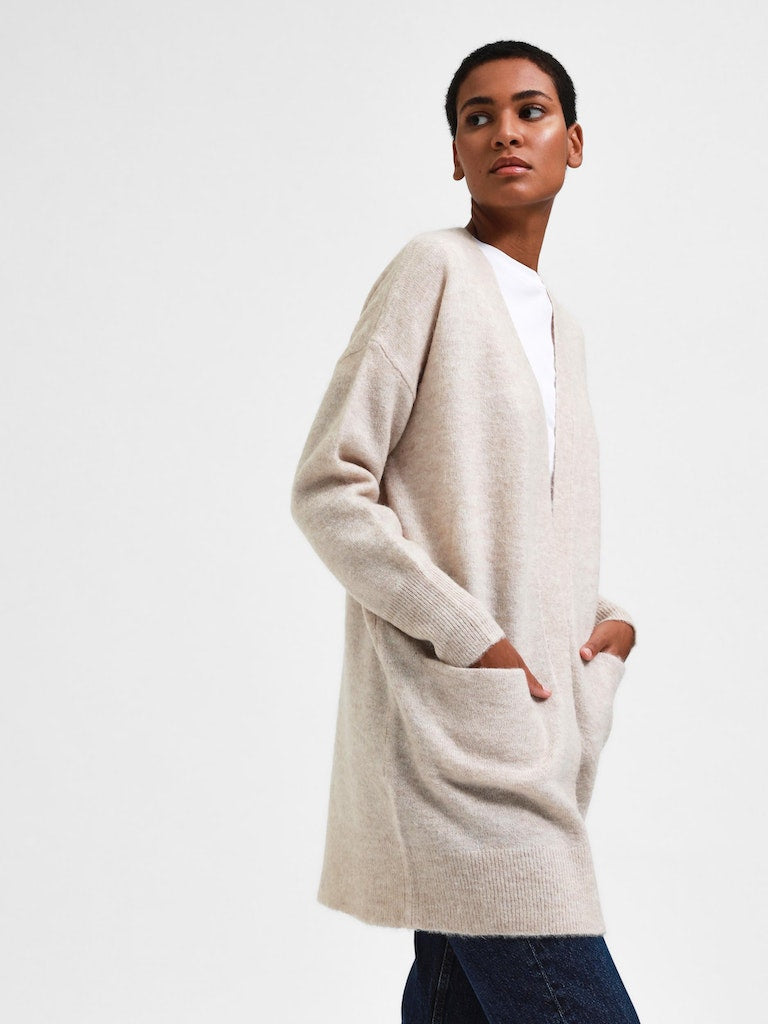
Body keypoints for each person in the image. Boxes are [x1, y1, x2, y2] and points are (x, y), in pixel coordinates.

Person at [290, 38, 641, 1024]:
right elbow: (329, 487)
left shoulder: (562, 327)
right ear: (455, 154)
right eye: (477, 118)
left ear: (574, 142)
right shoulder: (432, 271)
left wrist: (604, 631)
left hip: (531, 731)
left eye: (530, 111)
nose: (504, 133)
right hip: (458, 738)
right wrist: (470, 636)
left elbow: (522, 528)